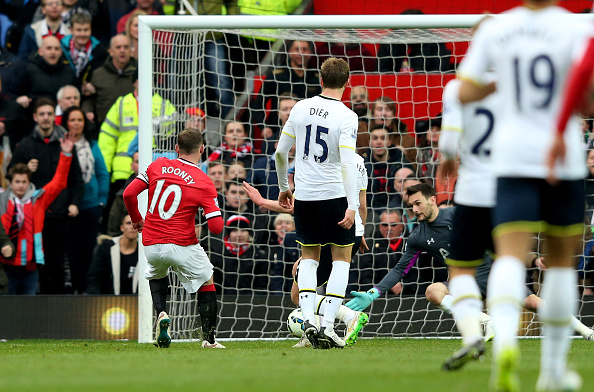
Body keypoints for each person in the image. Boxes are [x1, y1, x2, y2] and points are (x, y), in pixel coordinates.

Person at [457, 2, 589, 390]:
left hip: (512, 159)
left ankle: (505, 349)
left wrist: (499, 85)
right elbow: (589, 99)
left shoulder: (497, 28)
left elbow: (465, 90)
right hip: (562, 156)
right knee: (563, 263)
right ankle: (552, 372)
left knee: (510, 256)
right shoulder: (574, 28)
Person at [275, 57, 359, 349]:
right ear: (346, 83)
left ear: (321, 80)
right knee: (341, 260)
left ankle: (308, 321)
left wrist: (285, 187)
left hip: (305, 197)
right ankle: (329, 327)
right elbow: (348, 164)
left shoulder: (299, 107)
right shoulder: (346, 115)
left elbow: (279, 152)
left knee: (308, 258)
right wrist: (353, 205)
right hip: (334, 195)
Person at [123, 128, 226, 349]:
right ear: (202, 149)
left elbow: (129, 194)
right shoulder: (203, 181)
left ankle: (161, 314)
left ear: (176, 149)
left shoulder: (156, 165)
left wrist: (136, 219)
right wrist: (210, 209)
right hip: (181, 243)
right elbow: (217, 228)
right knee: (207, 280)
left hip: (150, 241)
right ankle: (209, 340)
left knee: (157, 274)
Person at [9, 97, 84, 294]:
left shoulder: (65, 144)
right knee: (34, 264)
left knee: (58, 263)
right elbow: (11, 177)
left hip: (60, 214)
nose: (45, 118)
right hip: (31, 217)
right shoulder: (25, 146)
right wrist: (27, 169)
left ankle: (57, 309)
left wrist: (75, 203)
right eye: (41, 114)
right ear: (35, 117)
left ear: (55, 117)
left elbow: (74, 178)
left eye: (49, 114)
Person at [0, 131, 74, 294]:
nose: (20, 185)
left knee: (29, 310)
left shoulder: (38, 199)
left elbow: (59, 182)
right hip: (6, 265)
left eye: (23, 182)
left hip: (30, 266)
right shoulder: (2, 201)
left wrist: (66, 154)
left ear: (29, 182)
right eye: (17, 182)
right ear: (10, 183)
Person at [62, 105, 108, 293]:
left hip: (91, 205)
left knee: (88, 250)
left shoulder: (93, 145)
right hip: (69, 207)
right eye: (72, 120)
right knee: (72, 251)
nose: (76, 123)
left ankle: (87, 291)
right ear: (66, 123)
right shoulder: (61, 145)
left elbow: (103, 173)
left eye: (80, 120)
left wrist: (102, 200)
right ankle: (75, 287)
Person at [249, 40, 321, 133]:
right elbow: (257, 105)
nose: (301, 53)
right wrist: (264, 127)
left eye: (304, 49)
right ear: (290, 53)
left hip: (308, 133)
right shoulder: (276, 76)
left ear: (310, 53)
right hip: (277, 131)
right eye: (297, 49)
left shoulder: (317, 78)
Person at [81, 34, 136, 126]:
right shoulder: (98, 74)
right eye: (118, 47)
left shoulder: (140, 73)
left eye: (126, 47)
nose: (122, 50)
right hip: (105, 129)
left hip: (133, 129)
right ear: (110, 51)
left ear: (131, 51)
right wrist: (88, 111)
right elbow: (90, 99)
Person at [86, 214, 139, 295]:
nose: (132, 227)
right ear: (122, 228)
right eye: (128, 223)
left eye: (136, 224)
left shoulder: (148, 251)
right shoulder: (106, 248)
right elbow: (94, 278)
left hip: (140, 303)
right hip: (110, 302)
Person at [60, 11, 107, 88]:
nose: (82, 34)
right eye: (79, 30)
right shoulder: (61, 48)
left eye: (86, 30)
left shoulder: (100, 51)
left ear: (91, 30)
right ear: (71, 30)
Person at [24, 35, 77, 103]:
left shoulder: (68, 71)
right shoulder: (28, 70)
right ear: (40, 51)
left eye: (56, 49)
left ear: (61, 52)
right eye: (49, 48)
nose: (53, 52)